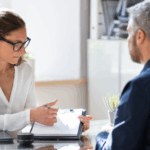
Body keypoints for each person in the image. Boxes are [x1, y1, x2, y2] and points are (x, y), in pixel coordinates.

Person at [0, 8, 92, 135]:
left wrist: (74, 124)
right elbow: (29, 116)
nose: (23, 52)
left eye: (24, 43)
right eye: (16, 44)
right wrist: (30, 115)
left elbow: (33, 116)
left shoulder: (25, 71)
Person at [96, 1, 150, 150]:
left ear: (140, 36)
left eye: (128, 32)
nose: (127, 40)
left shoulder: (139, 87)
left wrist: (103, 135)